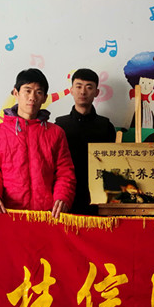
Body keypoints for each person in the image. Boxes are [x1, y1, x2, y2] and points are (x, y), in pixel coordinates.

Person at [0, 68, 75, 218]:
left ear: (44, 98)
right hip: (8, 213)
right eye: (27, 91)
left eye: (38, 92)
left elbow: (65, 172)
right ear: (16, 93)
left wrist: (63, 197)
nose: (32, 97)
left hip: (48, 215)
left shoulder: (56, 133)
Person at [55, 68, 116, 215]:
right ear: (71, 90)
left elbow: (113, 165)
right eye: (78, 86)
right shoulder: (59, 126)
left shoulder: (106, 126)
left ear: (96, 92)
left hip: (99, 197)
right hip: (66, 195)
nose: (83, 92)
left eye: (89, 87)